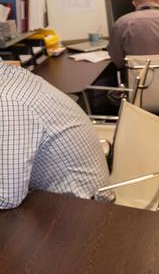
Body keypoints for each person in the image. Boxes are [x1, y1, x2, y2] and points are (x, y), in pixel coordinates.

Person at [0, 62, 109, 209]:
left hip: (79, 209)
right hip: (59, 197)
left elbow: (6, 197)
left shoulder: (8, 100)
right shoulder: (11, 76)